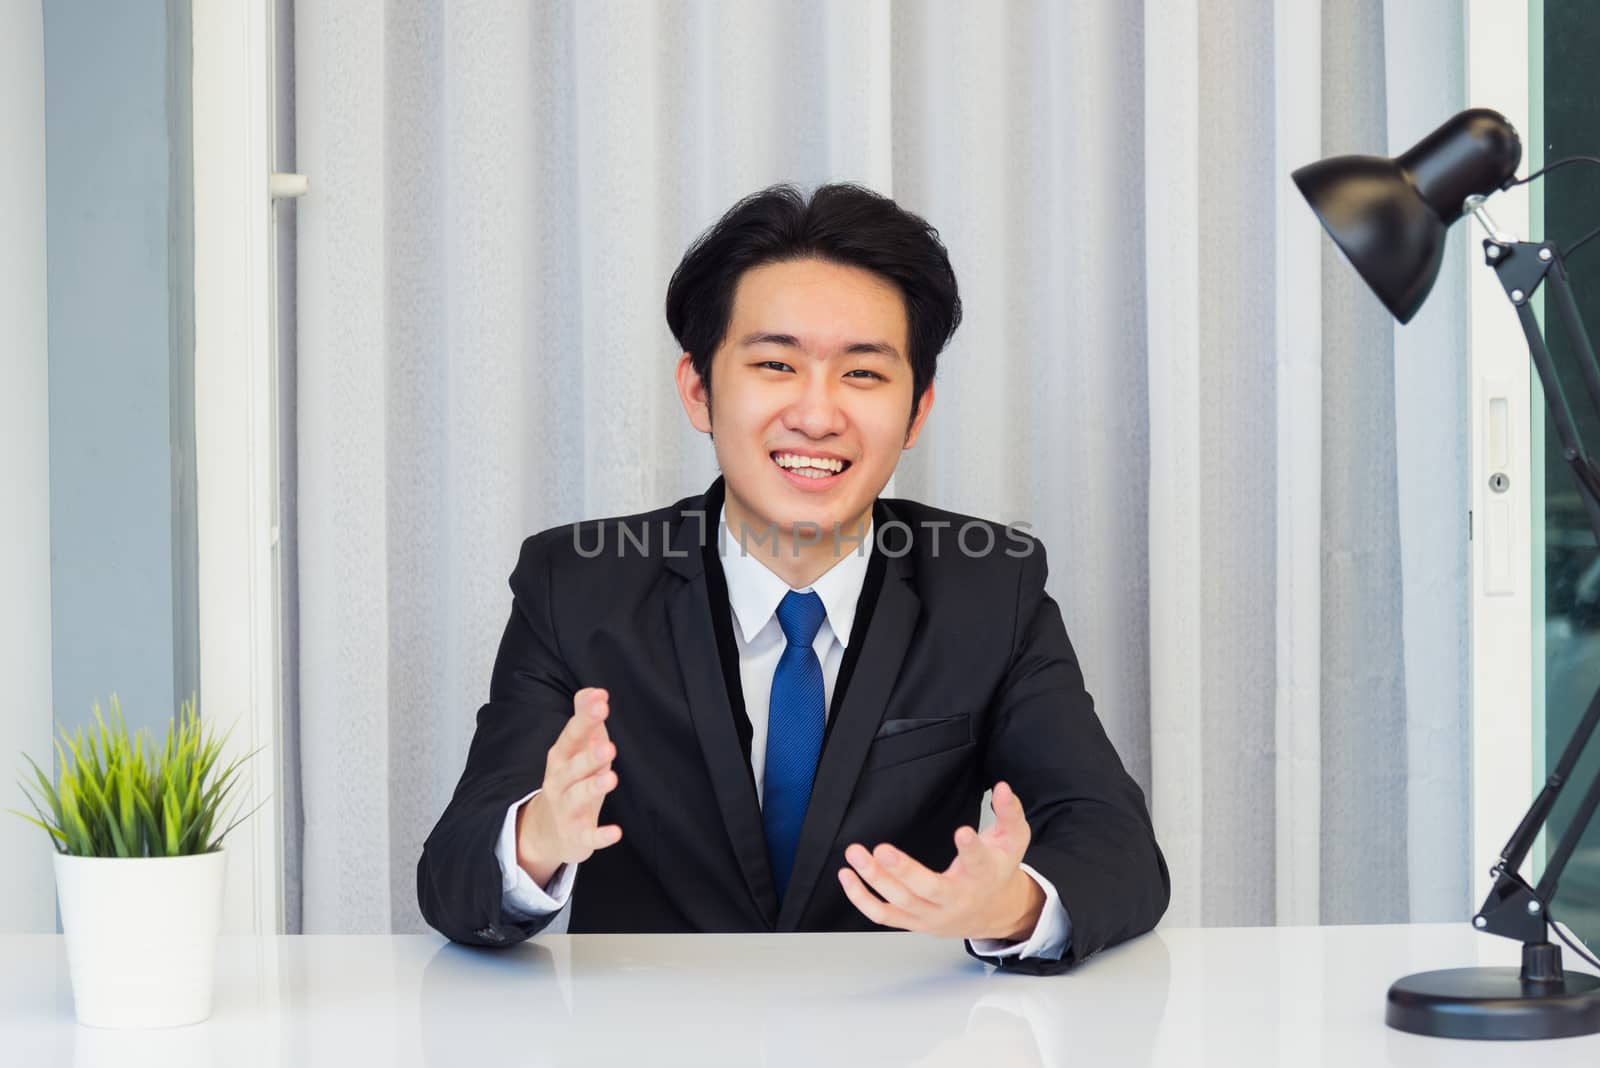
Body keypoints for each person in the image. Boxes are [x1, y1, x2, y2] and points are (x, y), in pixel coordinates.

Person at [417, 183, 1168, 975]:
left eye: (864, 375)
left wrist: (1009, 906)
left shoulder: (990, 587)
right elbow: (454, 875)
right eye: (776, 364)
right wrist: (536, 838)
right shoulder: (576, 586)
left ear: (917, 412)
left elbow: (1115, 846)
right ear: (699, 389)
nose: (816, 415)